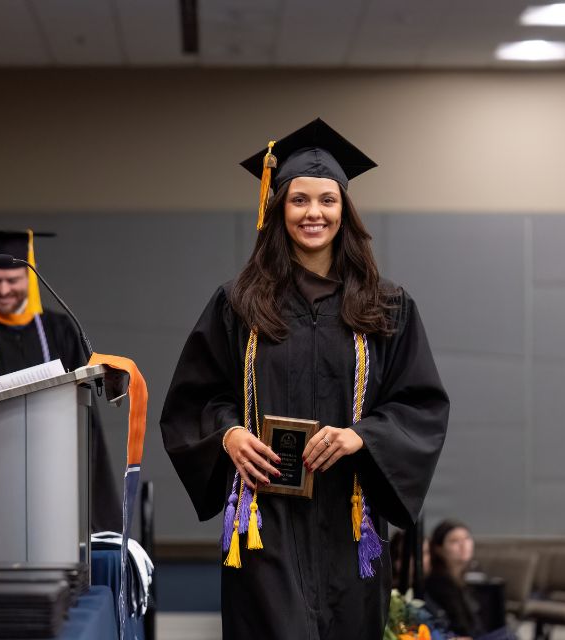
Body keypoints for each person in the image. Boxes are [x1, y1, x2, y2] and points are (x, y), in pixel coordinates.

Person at [160, 118, 450, 639]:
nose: (313, 213)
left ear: (344, 210)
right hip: (264, 519)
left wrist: (361, 434)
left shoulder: (386, 305)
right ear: (278, 209)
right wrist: (228, 435)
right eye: (298, 200)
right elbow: (195, 398)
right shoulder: (239, 303)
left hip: (349, 517)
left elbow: (419, 404)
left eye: (327, 200)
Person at [0, 230, 120, 532]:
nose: (3, 289)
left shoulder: (59, 329)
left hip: (51, 476)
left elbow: (84, 413)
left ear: (29, 278)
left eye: (13, 280)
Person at [425, 519, 485, 638]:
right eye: (454, 541)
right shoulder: (438, 583)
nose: (463, 545)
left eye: (467, 538)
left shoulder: (463, 578)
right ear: (438, 549)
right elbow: (460, 628)